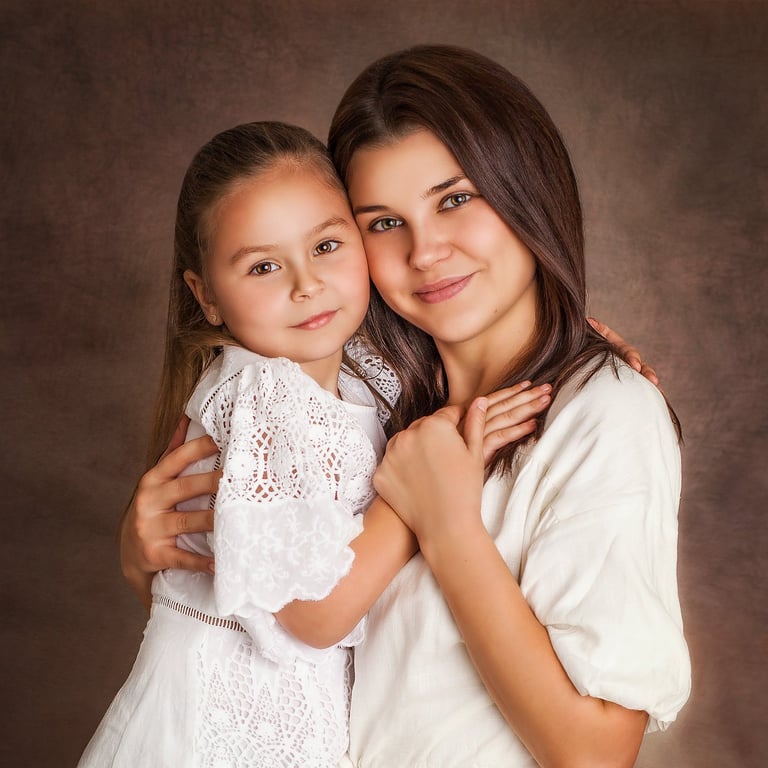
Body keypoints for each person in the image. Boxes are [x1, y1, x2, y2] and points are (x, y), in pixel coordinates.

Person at [121, 46, 690, 767]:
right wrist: (146, 557)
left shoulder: (601, 417)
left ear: (526, 188)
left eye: (455, 200)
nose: (426, 251)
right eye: (384, 223)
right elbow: (250, 658)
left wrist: (446, 523)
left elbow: (596, 754)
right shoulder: (364, 397)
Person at [80, 120, 549, 768]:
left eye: (327, 245)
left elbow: (468, 361)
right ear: (206, 296)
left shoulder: (357, 371)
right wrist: (417, 498)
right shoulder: (261, 397)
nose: (306, 284)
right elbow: (312, 613)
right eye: (264, 266)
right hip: (215, 738)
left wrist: (572, 352)